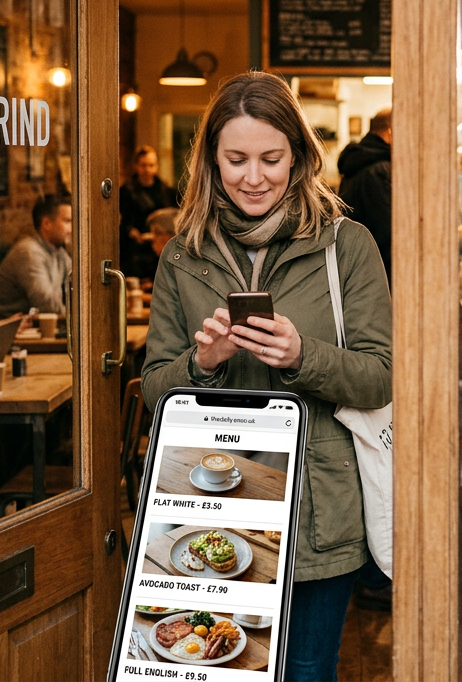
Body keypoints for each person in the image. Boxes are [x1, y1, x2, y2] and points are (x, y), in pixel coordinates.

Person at [141, 71, 391, 682]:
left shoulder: (347, 245)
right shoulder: (182, 254)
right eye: (236, 159)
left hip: (316, 507)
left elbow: (381, 377)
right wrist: (203, 363)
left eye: (271, 158)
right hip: (210, 504)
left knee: (306, 671)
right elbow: (152, 389)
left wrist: (303, 355)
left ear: (299, 157)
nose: (254, 177)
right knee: (219, 666)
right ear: (211, 162)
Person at [0, 194, 72, 317]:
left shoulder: (59, 251)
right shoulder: (29, 252)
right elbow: (47, 306)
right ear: (47, 223)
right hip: (9, 327)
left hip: (34, 326)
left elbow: (76, 288)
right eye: (68, 221)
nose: (72, 228)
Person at [337, 107, 392, 281]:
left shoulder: (360, 162)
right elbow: (388, 233)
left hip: (358, 268)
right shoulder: (377, 170)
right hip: (377, 273)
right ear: (391, 132)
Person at [120, 145, 178, 279]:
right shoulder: (126, 191)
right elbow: (122, 221)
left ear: (156, 166)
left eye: (151, 165)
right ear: (136, 166)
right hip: (137, 250)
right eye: (144, 165)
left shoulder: (166, 191)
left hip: (162, 246)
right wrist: (132, 232)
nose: (147, 169)